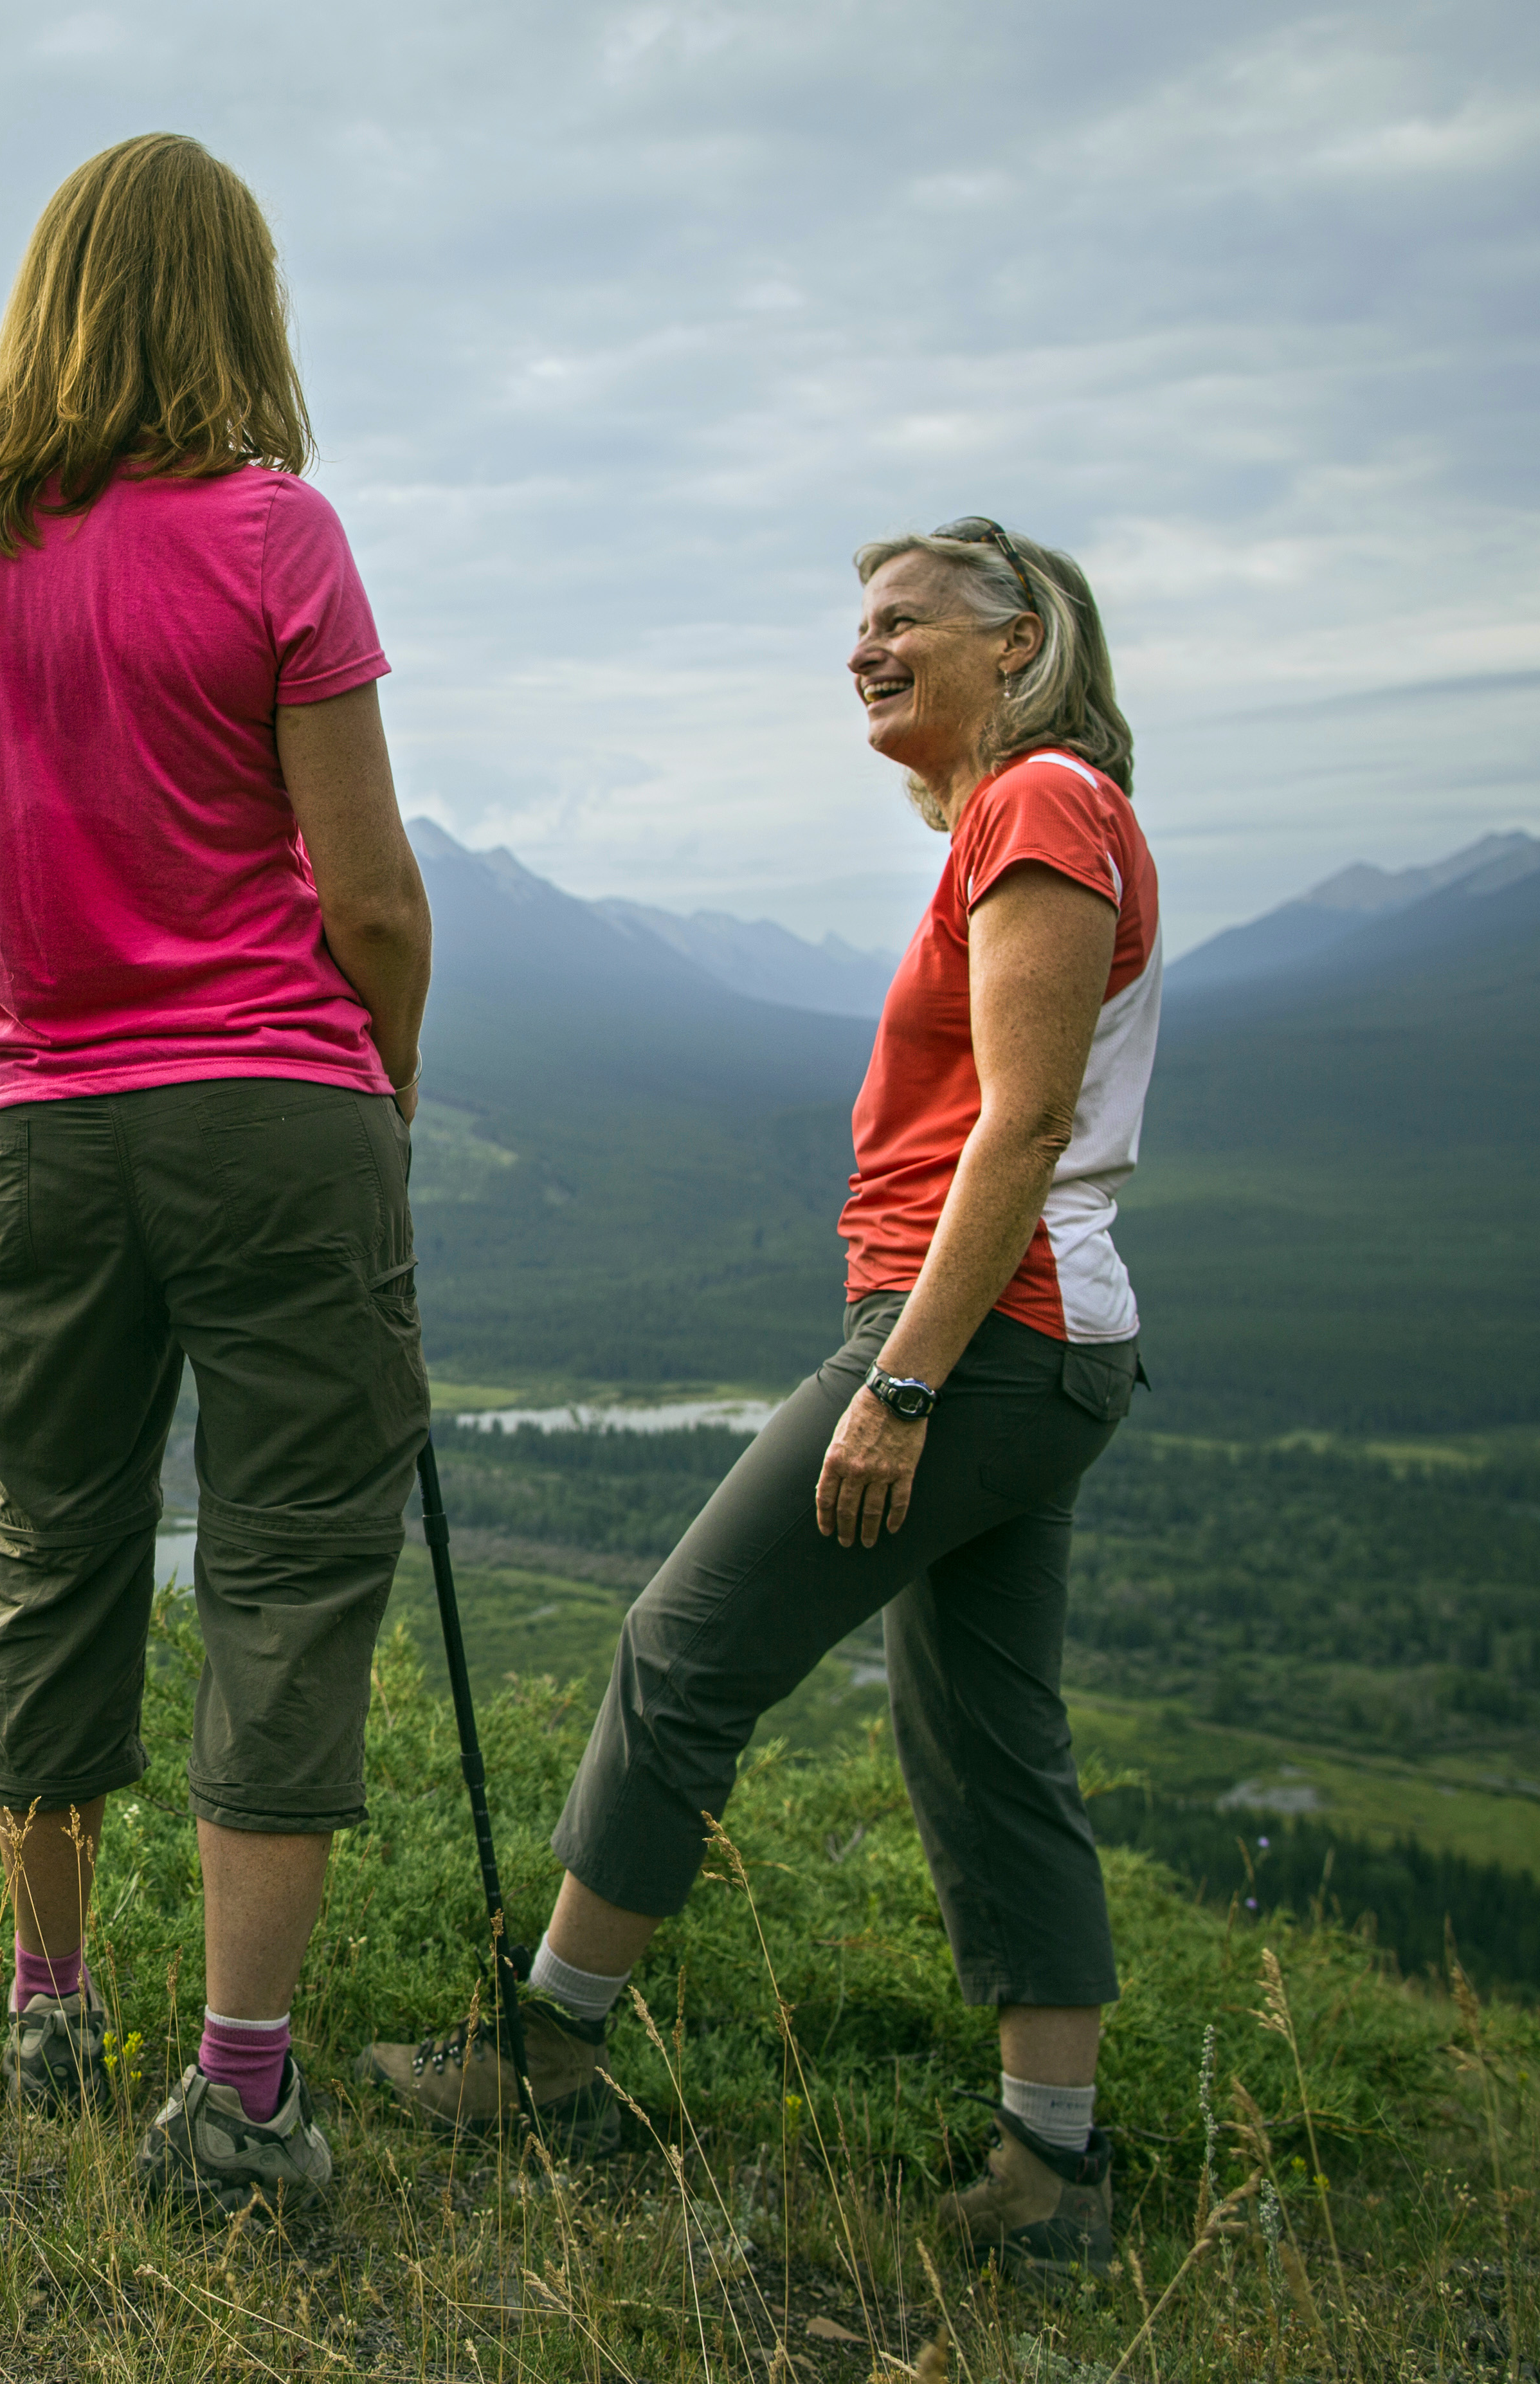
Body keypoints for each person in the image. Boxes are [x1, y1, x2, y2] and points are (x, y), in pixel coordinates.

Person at [357, 518, 1160, 2285]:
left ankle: (548, 2055)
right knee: (987, 1733)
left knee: (679, 1648)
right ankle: (1051, 2162)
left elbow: (1015, 1127)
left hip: (976, 1337)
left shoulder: (1035, 803)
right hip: (1041, 1343)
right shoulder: (1035, 813)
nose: (861, 653)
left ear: (1015, 642)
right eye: (851, 628)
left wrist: (897, 1382)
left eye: (900, 625)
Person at [0, 132, 435, 2219]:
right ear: (240, 305)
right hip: (275, 1107)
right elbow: (369, 901)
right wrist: (381, 1107)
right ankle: (242, 2087)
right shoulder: (280, 535)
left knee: (54, 1547)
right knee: (281, 1569)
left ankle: (42, 1999)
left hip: (33, 1125)